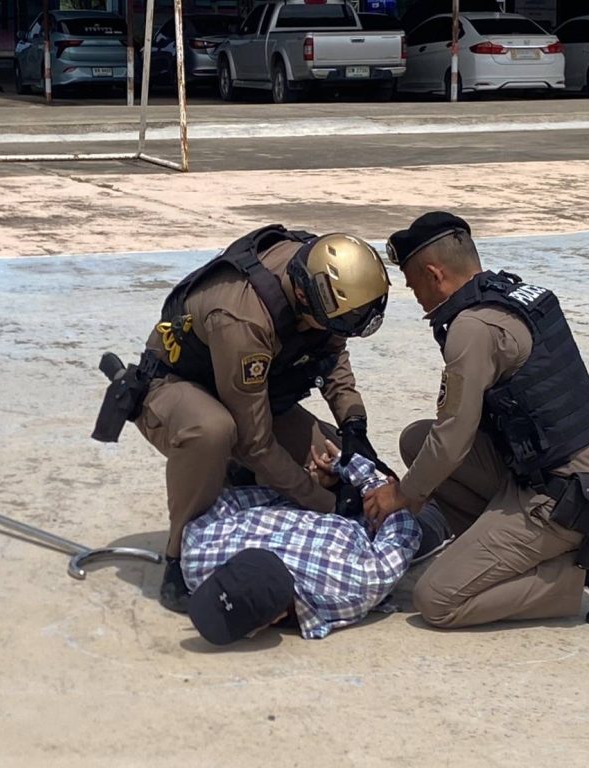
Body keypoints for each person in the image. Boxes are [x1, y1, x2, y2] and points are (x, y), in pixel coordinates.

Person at [364, 212, 589, 630]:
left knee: (436, 600)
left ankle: (588, 569)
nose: (410, 290)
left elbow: (453, 439)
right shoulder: (510, 295)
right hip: (556, 468)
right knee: (418, 440)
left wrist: (401, 494)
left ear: (434, 274)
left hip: (560, 498)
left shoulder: (471, 327)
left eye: (411, 279)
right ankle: (499, 552)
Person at [98, 225, 393, 614]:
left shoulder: (321, 274)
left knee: (333, 458)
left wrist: (354, 425)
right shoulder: (243, 319)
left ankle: (237, 478)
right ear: (302, 296)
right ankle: (179, 557)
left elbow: (333, 352)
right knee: (213, 431)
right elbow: (256, 443)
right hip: (175, 386)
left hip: (251, 392)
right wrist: (326, 503)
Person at [184, 447, 437, 644]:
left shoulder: (200, 556)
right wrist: (369, 482)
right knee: (427, 512)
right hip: (373, 518)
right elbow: (401, 535)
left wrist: (311, 489)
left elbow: (229, 500)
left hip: (319, 493)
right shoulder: (352, 585)